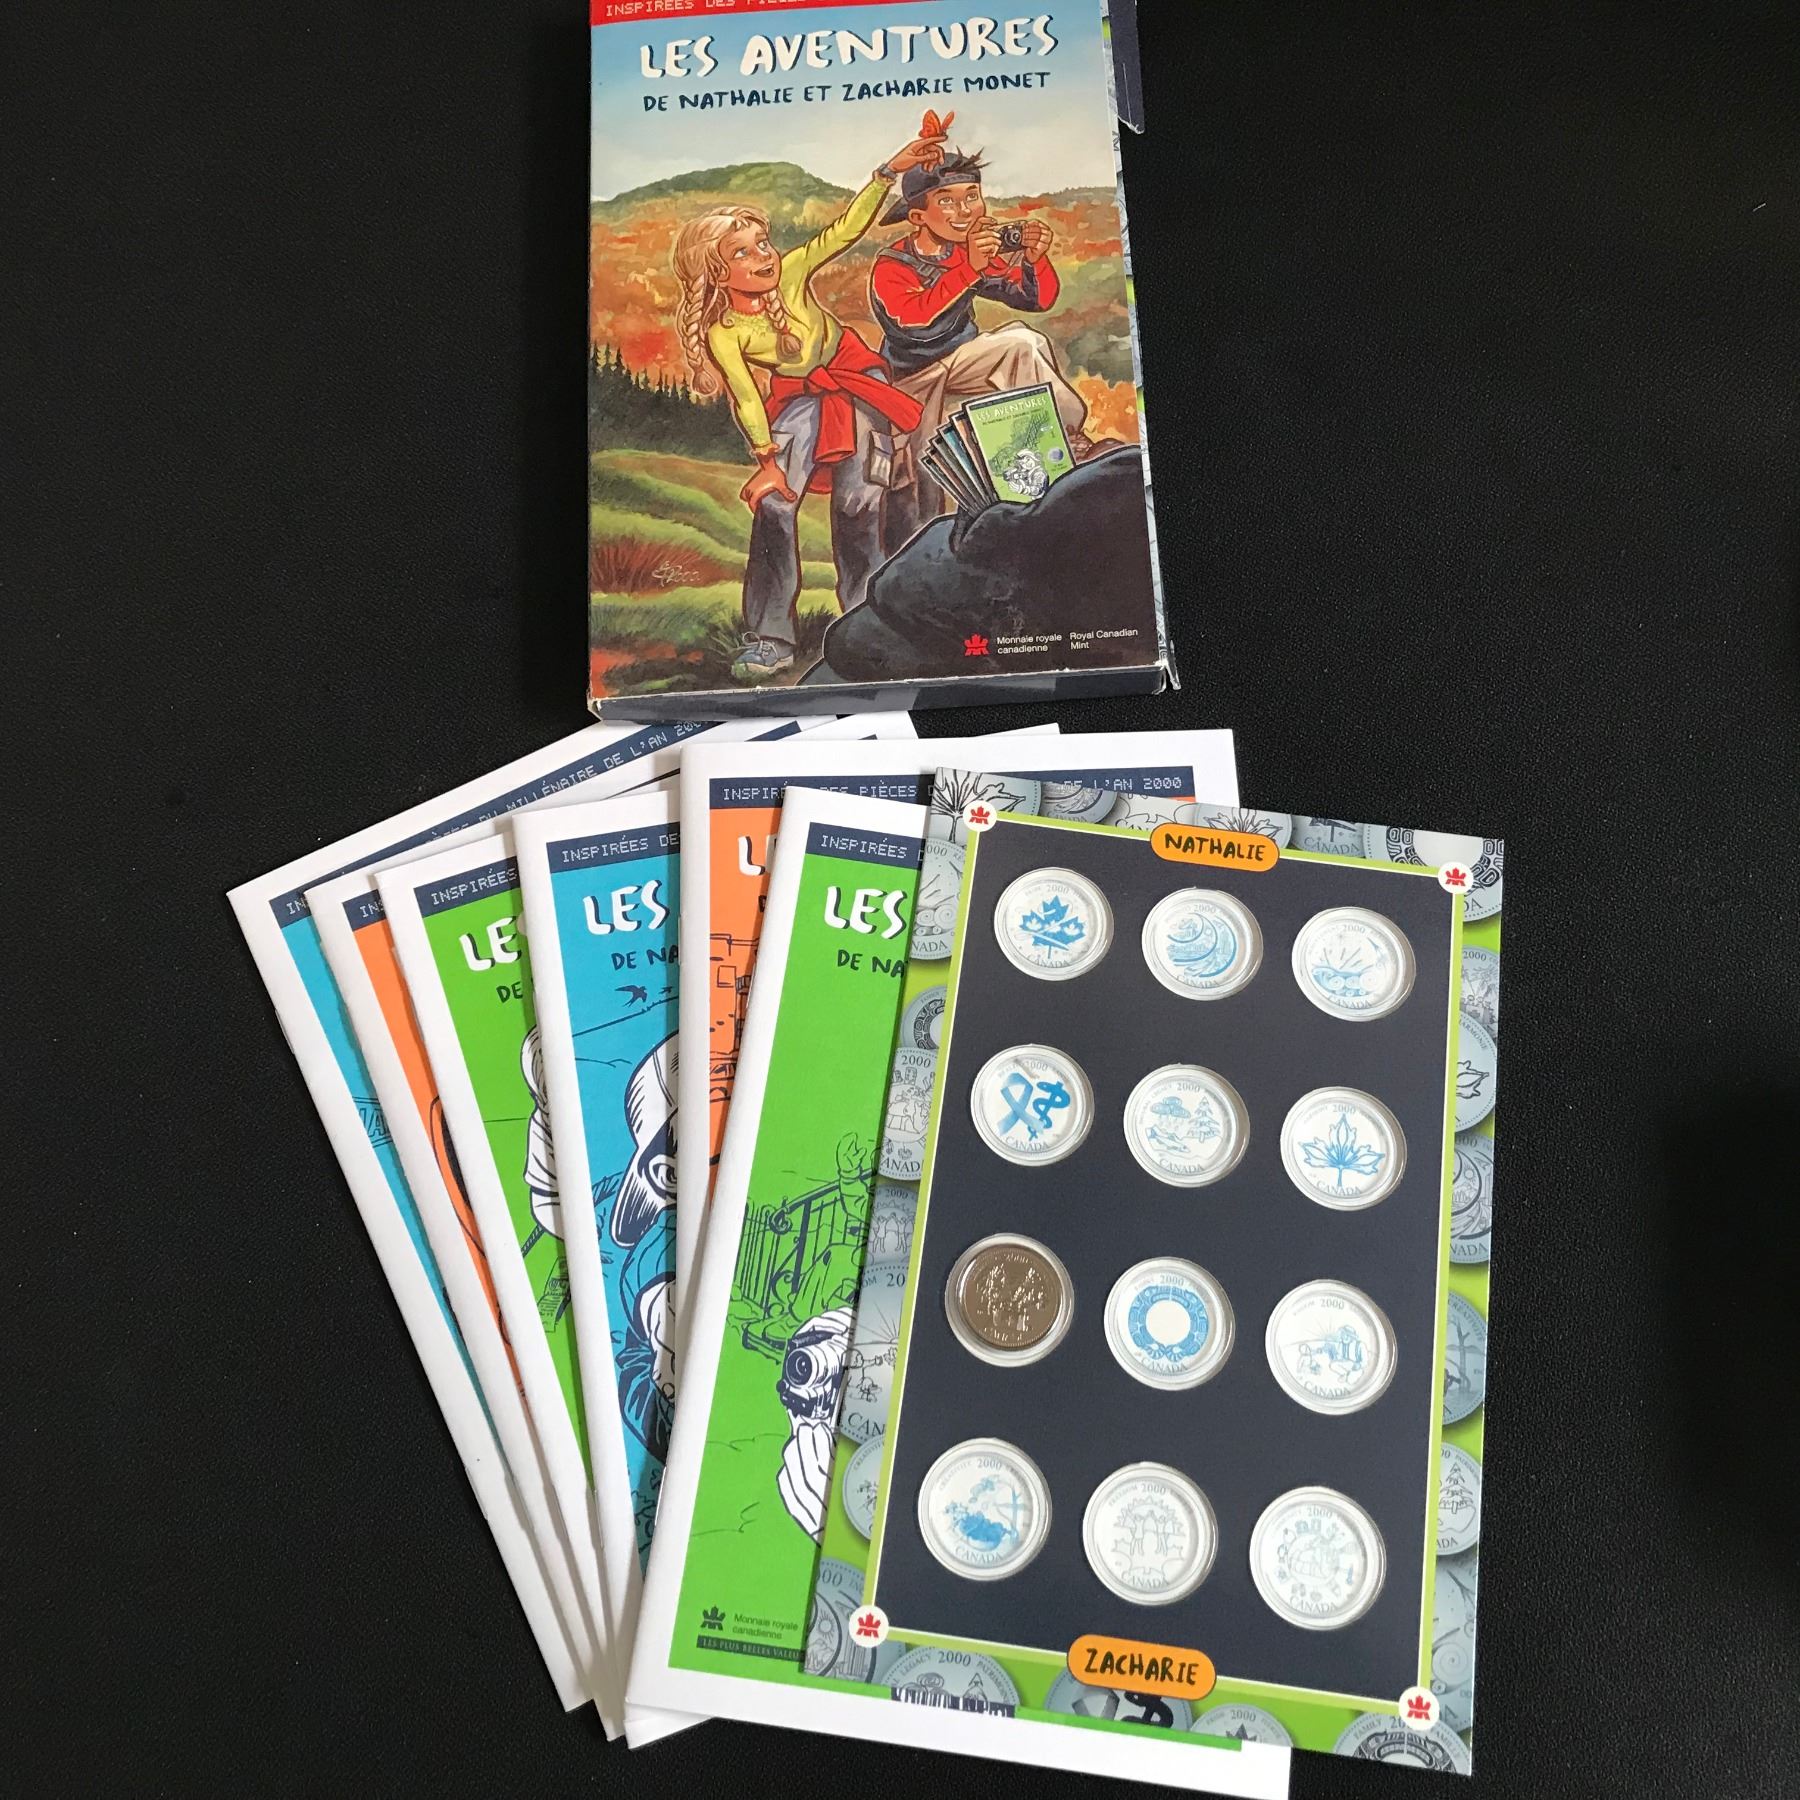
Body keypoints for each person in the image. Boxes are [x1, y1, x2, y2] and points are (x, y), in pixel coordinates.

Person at [671, 116, 951, 683]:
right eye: (742, 253)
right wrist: (766, 462)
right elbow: (747, 399)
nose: (763, 256)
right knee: (775, 505)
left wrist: (887, 173)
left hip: (856, 385)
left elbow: (843, 231)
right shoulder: (725, 332)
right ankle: (772, 638)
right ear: (716, 273)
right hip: (798, 402)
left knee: (859, 506)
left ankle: (865, 624)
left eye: (762, 243)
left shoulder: (792, 272)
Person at [868, 149, 1099, 547]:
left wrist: (1034, 261)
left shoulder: (964, 252)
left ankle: (1063, 435)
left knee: (1022, 340)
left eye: (972, 196)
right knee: (922, 488)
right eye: (947, 201)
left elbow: (1033, 299)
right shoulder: (892, 265)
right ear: (918, 216)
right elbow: (914, 322)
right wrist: (970, 268)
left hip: (962, 364)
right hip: (912, 378)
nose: (965, 211)